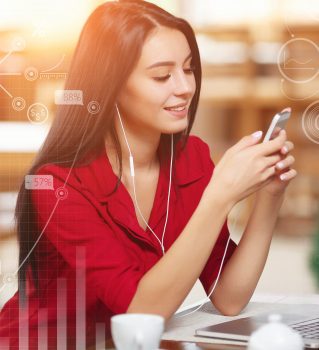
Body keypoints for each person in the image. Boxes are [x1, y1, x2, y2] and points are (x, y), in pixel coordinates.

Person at [0, 0, 297, 349]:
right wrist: (220, 195)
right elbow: (141, 310)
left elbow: (229, 296)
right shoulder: (57, 187)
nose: (185, 87)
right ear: (111, 85)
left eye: (189, 69)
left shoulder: (192, 160)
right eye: (162, 75)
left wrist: (270, 195)